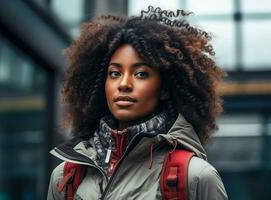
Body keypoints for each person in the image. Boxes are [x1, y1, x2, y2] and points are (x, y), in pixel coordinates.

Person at [47, 6, 228, 200]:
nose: (124, 84)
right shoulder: (65, 178)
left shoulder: (195, 177)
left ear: (165, 89)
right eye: (115, 73)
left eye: (141, 74)